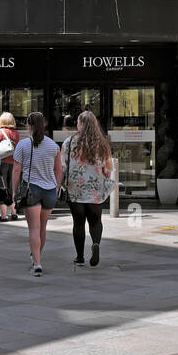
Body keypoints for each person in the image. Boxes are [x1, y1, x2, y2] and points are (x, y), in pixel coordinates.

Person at [12, 111, 63, 277]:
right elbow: (58, 170)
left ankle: (37, 263)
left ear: (30, 126)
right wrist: (56, 187)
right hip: (49, 191)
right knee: (43, 227)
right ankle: (37, 257)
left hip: (31, 189)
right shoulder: (53, 146)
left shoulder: (23, 145)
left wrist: (14, 191)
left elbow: (16, 169)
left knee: (33, 228)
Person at [64, 110, 114, 267]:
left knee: (78, 223)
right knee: (95, 221)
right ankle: (96, 244)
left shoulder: (69, 142)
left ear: (80, 124)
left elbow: (62, 166)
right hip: (95, 189)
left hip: (75, 189)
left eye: (78, 122)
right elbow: (108, 169)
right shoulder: (103, 144)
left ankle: (80, 257)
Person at [0, 112, 20, 222]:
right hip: (14, 163)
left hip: (1, 163)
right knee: (12, 187)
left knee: (2, 187)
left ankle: (4, 216)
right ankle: (14, 213)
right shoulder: (16, 134)